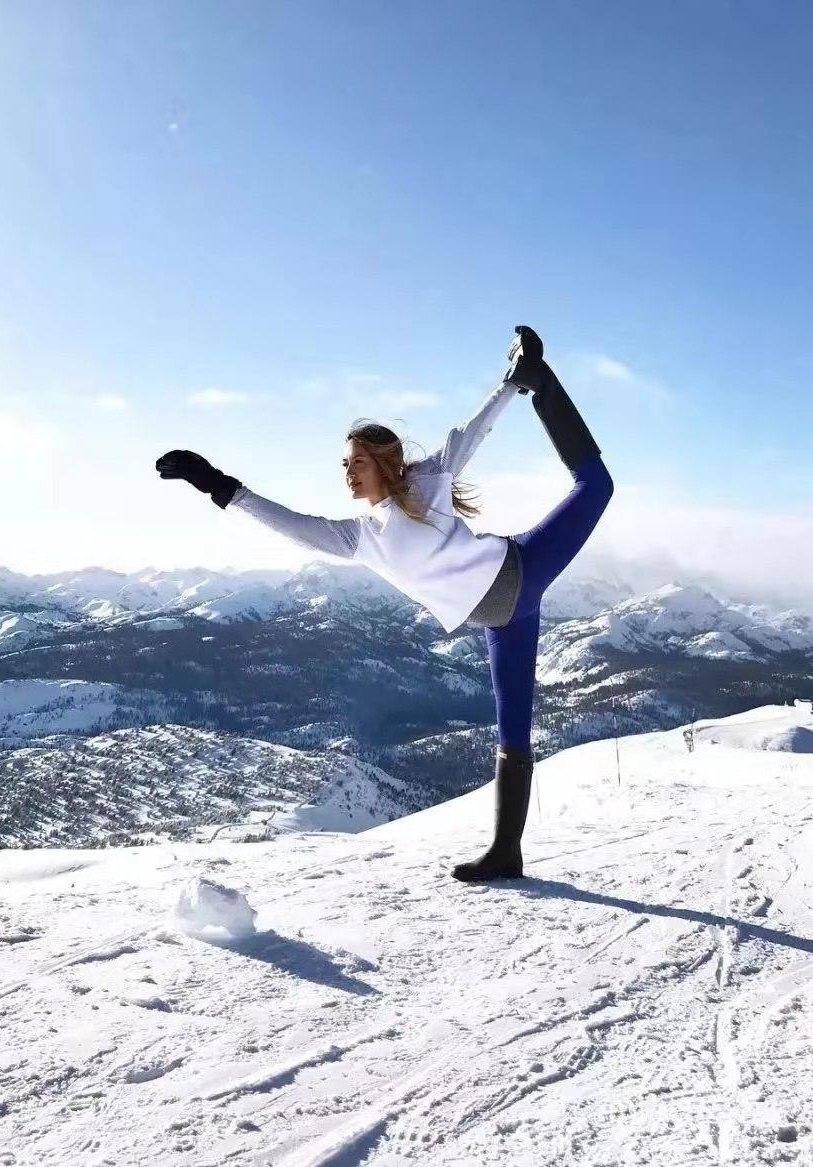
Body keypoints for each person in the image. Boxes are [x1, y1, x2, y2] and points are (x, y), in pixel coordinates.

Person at [155, 326, 613, 883]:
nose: (347, 472)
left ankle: (546, 384)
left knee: (596, 486)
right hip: (497, 617)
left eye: (356, 463)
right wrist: (221, 487)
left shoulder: (428, 481)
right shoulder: (359, 536)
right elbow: (294, 526)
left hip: (522, 569)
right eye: (345, 465)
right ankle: (505, 852)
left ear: (385, 464)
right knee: (512, 727)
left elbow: (474, 430)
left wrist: (517, 383)